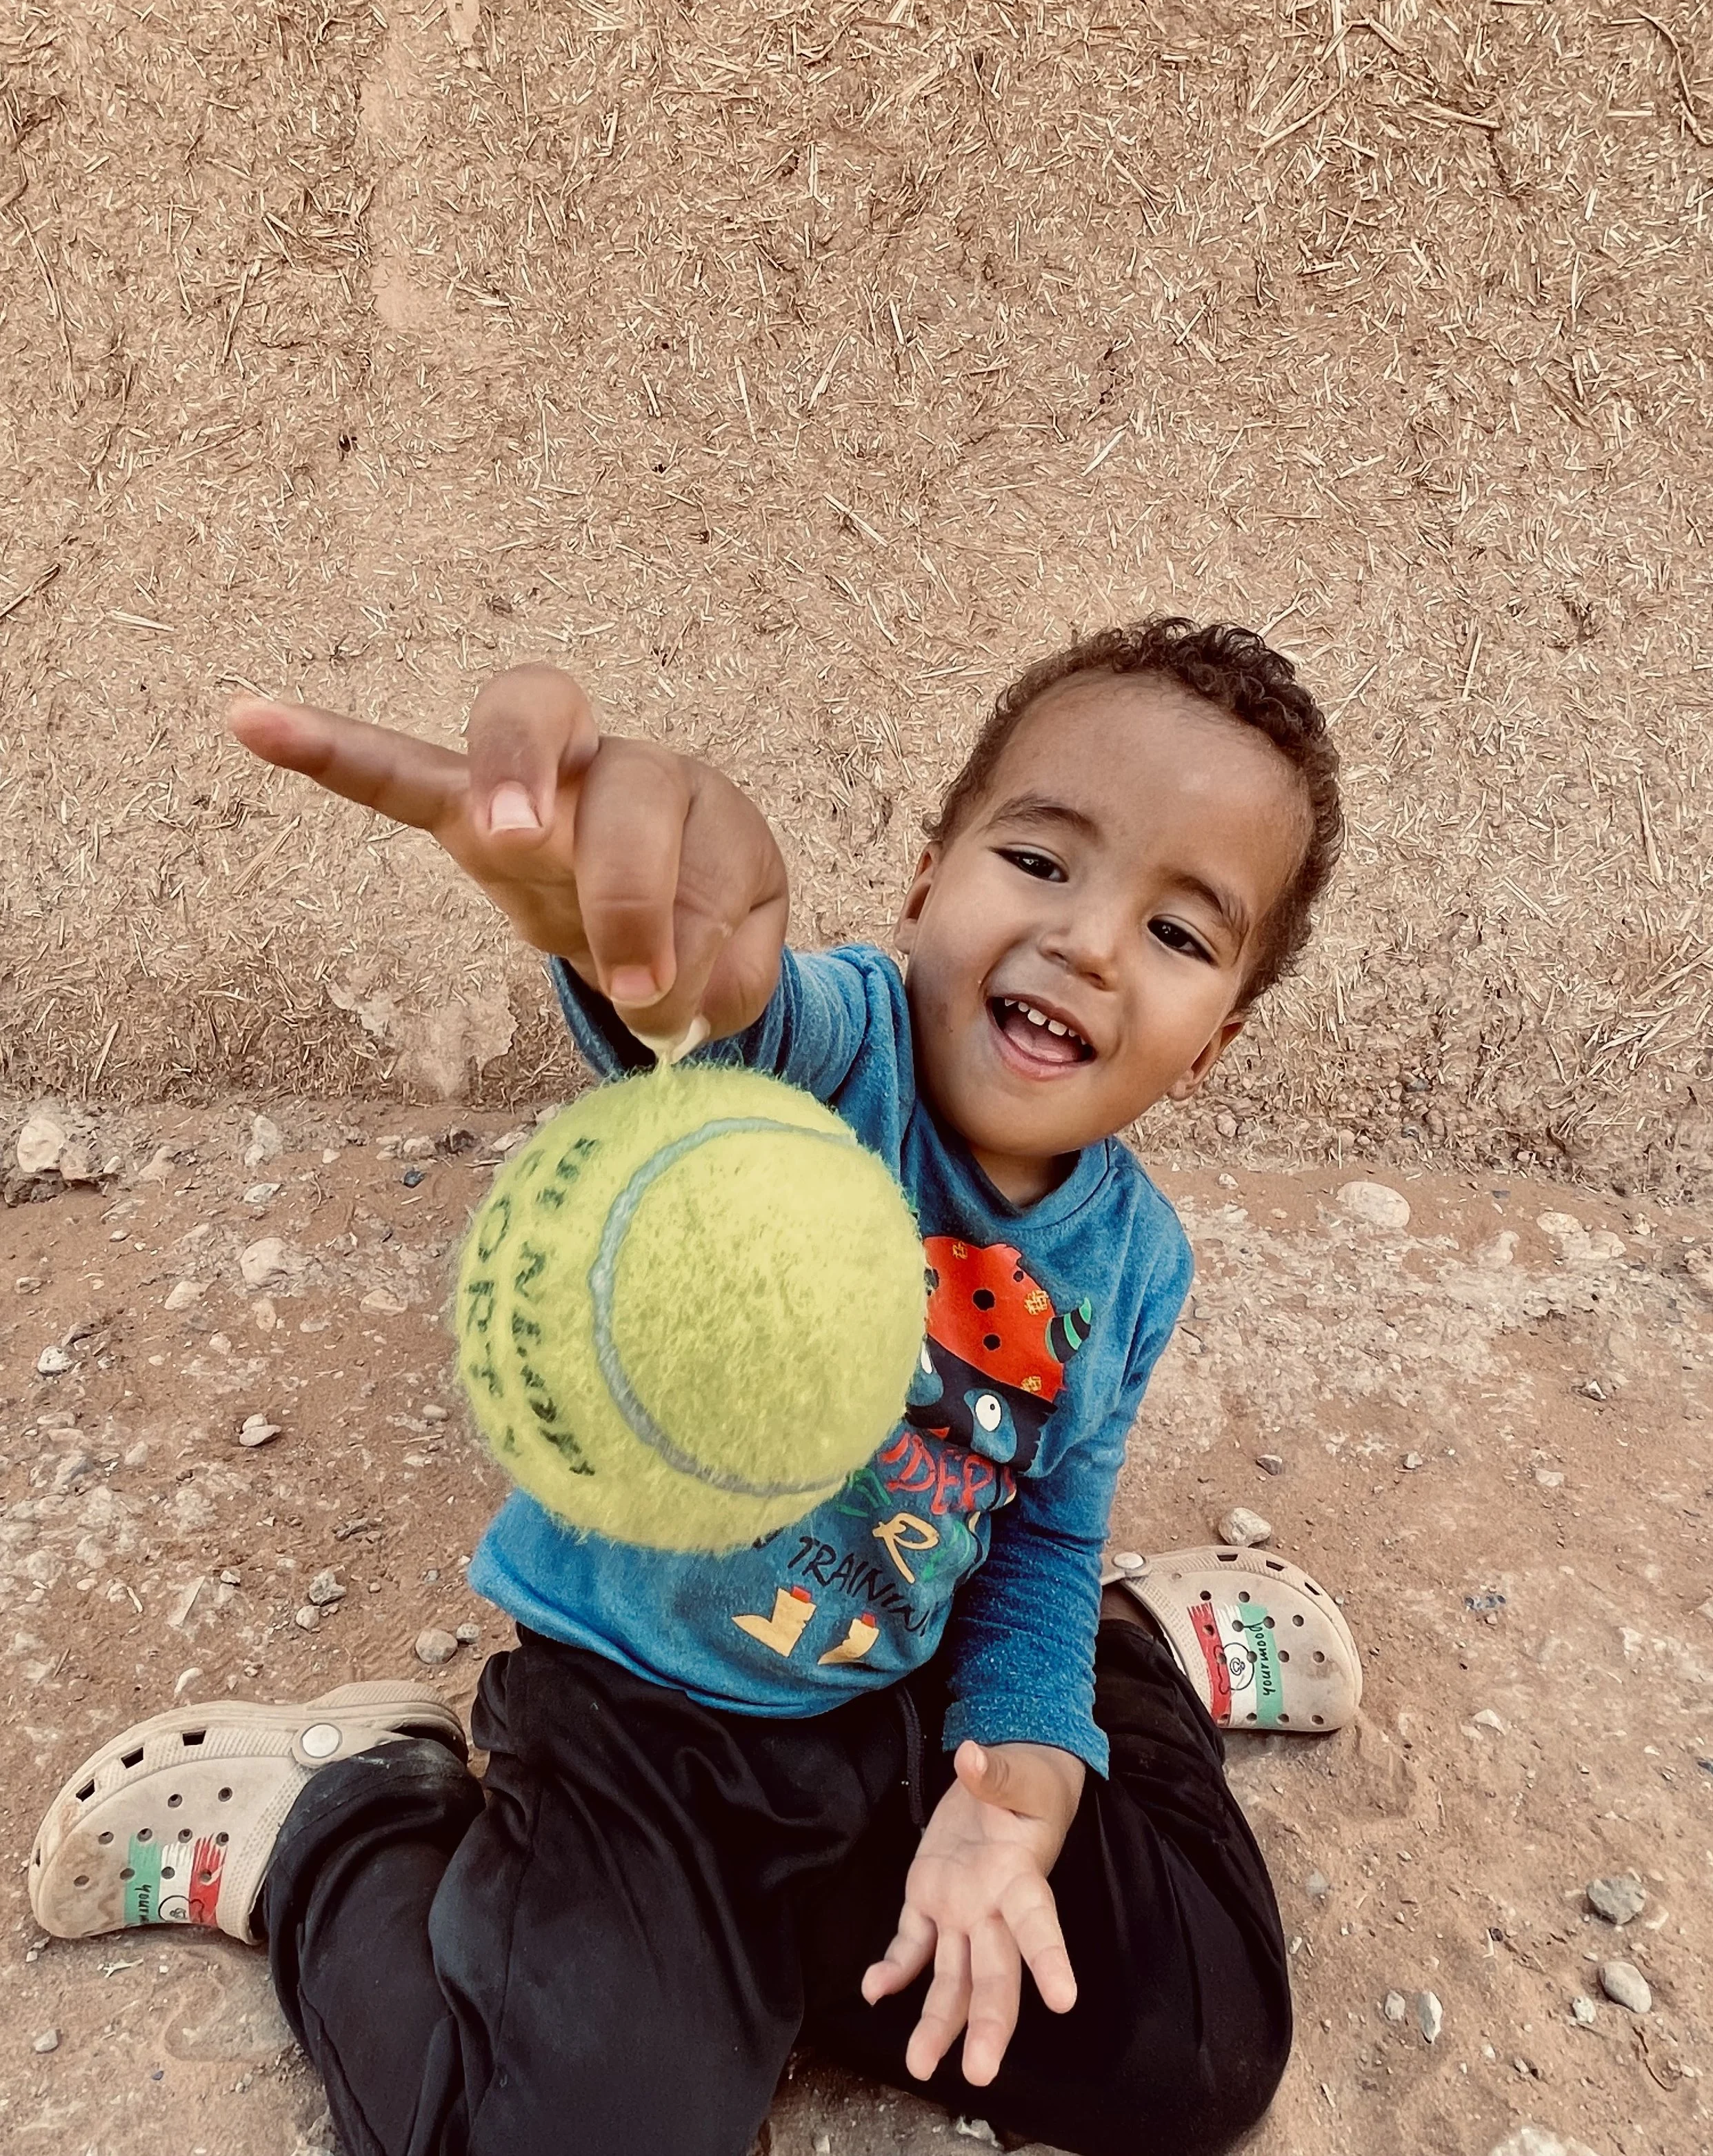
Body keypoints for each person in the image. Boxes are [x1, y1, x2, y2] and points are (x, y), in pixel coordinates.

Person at [30, 617, 1359, 2156]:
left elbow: (1042, 1535)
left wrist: (1018, 1790)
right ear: (926, 882)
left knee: (1203, 2048)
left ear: (1216, 1042)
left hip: (902, 1708)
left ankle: (1127, 1668)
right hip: (636, 1730)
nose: (1090, 942)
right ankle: (341, 1827)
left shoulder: (1131, 1262)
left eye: (1182, 934)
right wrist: (663, 955)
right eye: (1042, 861)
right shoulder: (827, 1051)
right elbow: (712, 1019)